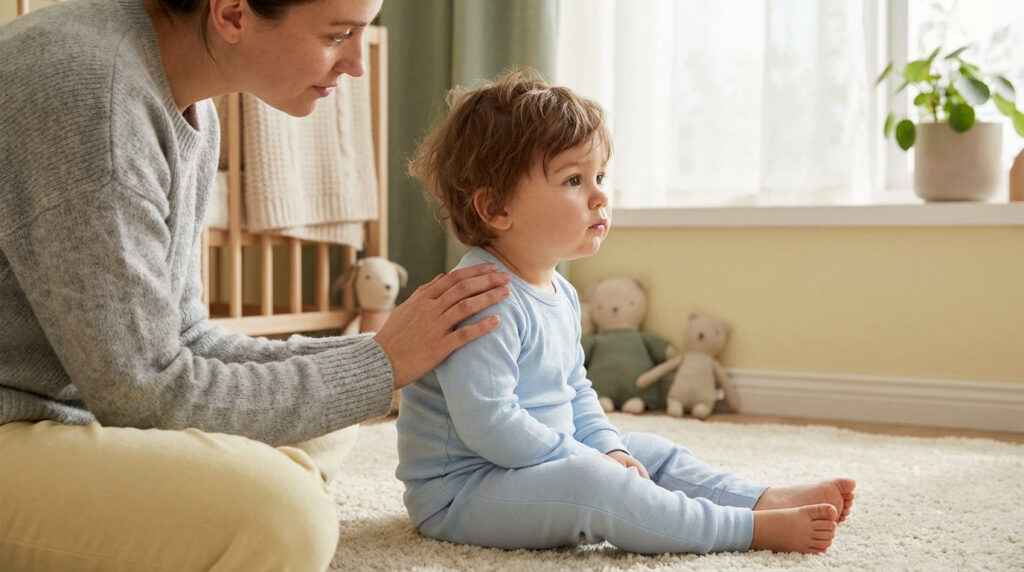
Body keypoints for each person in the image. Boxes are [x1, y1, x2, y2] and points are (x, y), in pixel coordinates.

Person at [0, 0, 511, 570]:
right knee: (286, 515)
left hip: (74, 412)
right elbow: (143, 394)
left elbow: (185, 339)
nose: (357, 64)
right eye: (339, 34)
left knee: (327, 423)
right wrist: (381, 370)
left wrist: (381, 357)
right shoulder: (91, 94)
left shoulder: (191, 106)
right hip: (19, 421)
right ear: (234, 14)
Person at [396, 69, 856, 556]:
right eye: (574, 180)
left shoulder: (562, 291)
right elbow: (491, 425)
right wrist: (593, 463)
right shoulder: (478, 298)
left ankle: (760, 499)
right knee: (595, 484)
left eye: (599, 176)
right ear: (495, 208)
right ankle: (744, 529)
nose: (600, 195)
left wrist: (609, 449)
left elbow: (575, 389)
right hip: (464, 493)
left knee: (648, 451)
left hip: (536, 464)